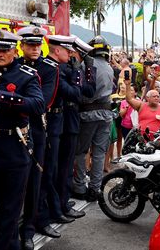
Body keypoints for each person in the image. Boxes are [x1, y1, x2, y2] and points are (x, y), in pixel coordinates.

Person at [0, 28, 44, 250]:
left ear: (15, 50)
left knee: (10, 208)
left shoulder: (26, 75)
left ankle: (6, 245)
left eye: (5, 50)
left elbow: (38, 105)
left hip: (15, 146)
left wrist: (6, 96)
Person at [15, 26, 59, 250]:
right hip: (14, 131)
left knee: (36, 182)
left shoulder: (49, 68)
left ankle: (30, 229)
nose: (34, 49)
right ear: (21, 46)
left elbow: (44, 101)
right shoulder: (13, 66)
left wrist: (12, 100)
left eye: (37, 45)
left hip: (37, 131)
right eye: (30, 45)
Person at [34, 34, 79, 239]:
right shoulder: (51, 68)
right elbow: (74, 93)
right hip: (48, 123)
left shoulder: (55, 67)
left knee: (51, 172)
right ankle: (44, 217)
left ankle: (53, 211)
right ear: (57, 50)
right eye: (68, 51)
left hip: (56, 123)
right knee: (46, 173)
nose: (70, 55)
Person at [56, 36, 95, 220]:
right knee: (62, 167)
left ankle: (63, 201)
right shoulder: (64, 69)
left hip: (70, 121)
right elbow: (77, 94)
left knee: (66, 165)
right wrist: (79, 72)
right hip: (63, 120)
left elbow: (90, 90)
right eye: (81, 55)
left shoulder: (75, 69)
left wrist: (89, 68)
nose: (75, 56)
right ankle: (60, 204)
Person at [73, 35, 114, 202]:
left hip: (87, 114)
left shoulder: (84, 66)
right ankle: (95, 189)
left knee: (81, 152)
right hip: (106, 115)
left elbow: (81, 91)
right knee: (98, 153)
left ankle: (80, 186)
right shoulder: (110, 68)